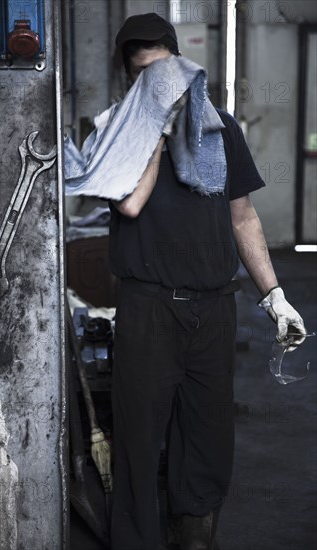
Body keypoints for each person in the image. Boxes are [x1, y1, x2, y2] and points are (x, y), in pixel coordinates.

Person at [67, 13, 307, 550]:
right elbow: (130, 203)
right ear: (131, 80)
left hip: (214, 310)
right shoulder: (113, 133)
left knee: (207, 437)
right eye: (145, 76)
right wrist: (154, 130)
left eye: (166, 72)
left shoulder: (222, 130)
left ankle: (194, 536)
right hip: (149, 310)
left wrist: (275, 296)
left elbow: (242, 216)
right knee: (138, 439)